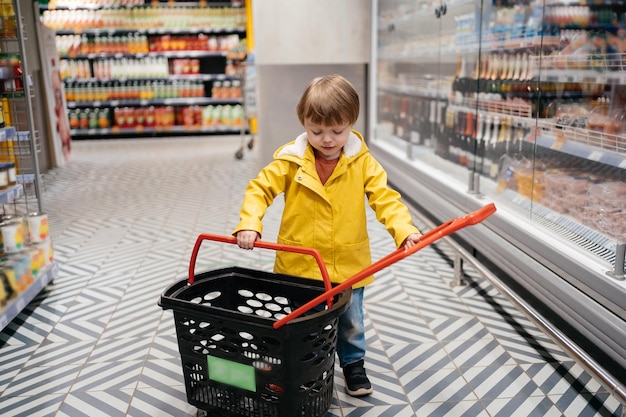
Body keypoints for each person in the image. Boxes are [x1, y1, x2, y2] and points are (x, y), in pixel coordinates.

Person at [233, 74, 421, 397]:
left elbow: (385, 199)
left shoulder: (362, 163)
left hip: (349, 264)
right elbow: (259, 189)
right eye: (316, 131)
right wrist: (250, 222)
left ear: (351, 123)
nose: (328, 139)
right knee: (306, 322)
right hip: (301, 266)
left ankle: (353, 364)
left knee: (351, 322)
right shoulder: (290, 161)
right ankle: (311, 366)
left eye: (337, 130)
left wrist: (404, 231)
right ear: (304, 122)